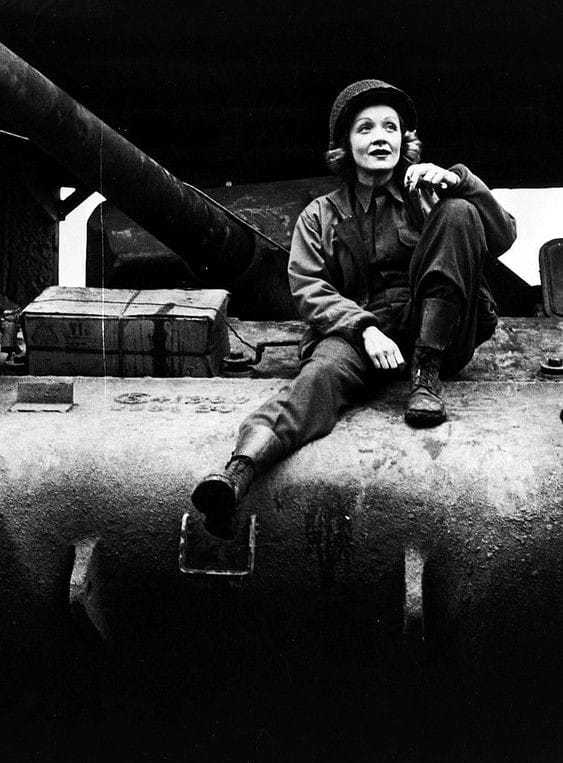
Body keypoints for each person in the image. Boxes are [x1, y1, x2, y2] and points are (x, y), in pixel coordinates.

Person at [191, 78, 517, 538]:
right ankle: (238, 472)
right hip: (362, 336)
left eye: (391, 127)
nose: (380, 136)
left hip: (441, 336)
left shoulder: (429, 193)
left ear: (406, 141)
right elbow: (308, 288)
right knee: (317, 379)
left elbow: (501, 237)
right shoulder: (320, 216)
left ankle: (425, 379)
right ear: (345, 145)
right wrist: (362, 328)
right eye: (364, 128)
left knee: (460, 213)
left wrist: (458, 181)